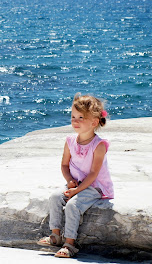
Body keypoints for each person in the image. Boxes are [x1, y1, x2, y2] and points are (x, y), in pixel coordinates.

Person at [37, 93, 114, 258]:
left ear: (94, 122)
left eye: (81, 117)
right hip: (76, 183)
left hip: (94, 186)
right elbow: (65, 164)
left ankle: (70, 244)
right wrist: (69, 181)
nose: (75, 120)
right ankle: (55, 235)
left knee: (73, 205)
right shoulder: (70, 140)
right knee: (55, 196)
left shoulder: (98, 145)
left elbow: (94, 173)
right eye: (73, 116)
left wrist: (76, 191)